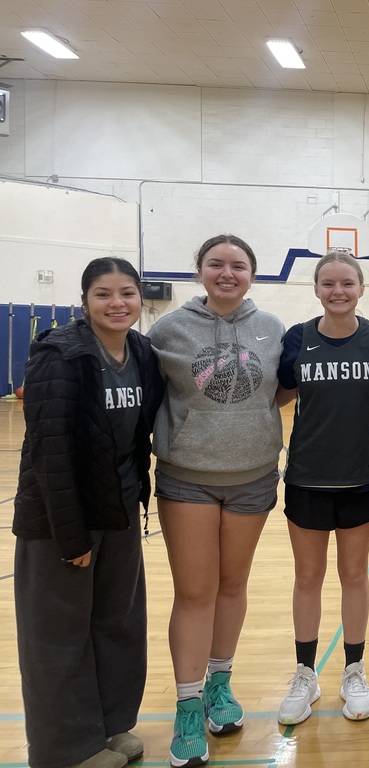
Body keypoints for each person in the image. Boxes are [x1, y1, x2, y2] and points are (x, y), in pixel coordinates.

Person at [13, 258, 163, 768]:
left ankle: (107, 727)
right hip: (62, 522)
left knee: (115, 624)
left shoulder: (141, 352)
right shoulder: (61, 355)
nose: (117, 303)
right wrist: (69, 536)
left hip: (118, 511)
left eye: (127, 293)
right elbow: (48, 452)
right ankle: (65, 750)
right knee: (58, 634)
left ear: (140, 300)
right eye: (103, 294)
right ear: (84, 301)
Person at [148, 235, 285, 768]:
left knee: (232, 586)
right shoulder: (167, 329)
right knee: (195, 592)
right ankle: (186, 705)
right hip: (188, 477)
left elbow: (283, 389)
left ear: (253, 272)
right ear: (200, 270)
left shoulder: (272, 329)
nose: (227, 273)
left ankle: (219, 686)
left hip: (253, 477)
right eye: (216, 264)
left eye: (238, 265)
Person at [274, 249, 369, 725]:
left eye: (347, 283)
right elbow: (282, 393)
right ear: (317, 289)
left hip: (360, 476)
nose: (338, 291)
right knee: (307, 577)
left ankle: (354, 670)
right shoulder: (297, 338)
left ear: (361, 289)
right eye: (329, 283)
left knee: (354, 575)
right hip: (307, 476)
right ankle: (305, 674)